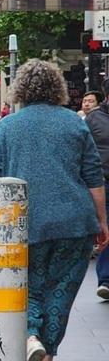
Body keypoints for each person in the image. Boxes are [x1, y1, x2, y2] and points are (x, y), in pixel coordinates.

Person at [0, 60, 109, 361]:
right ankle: (47, 348)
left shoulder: (5, 127)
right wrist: (101, 221)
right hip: (74, 224)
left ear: (20, 89)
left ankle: (30, 337)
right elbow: (93, 176)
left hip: (24, 224)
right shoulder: (76, 123)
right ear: (58, 88)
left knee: (29, 289)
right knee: (61, 293)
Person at [83, 90, 109, 300]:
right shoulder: (94, 118)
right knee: (106, 225)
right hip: (103, 181)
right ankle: (106, 279)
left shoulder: (92, 118)